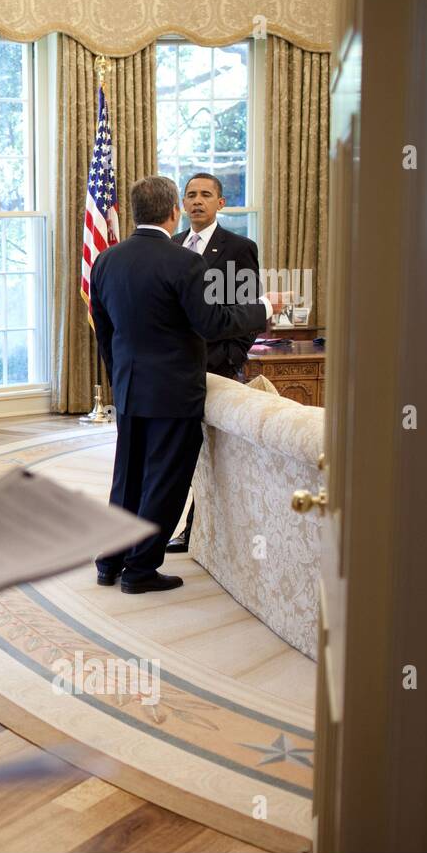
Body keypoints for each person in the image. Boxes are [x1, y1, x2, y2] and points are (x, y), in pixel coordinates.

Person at [90, 176, 283, 594]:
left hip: (129, 388)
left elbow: (104, 333)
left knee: (127, 476)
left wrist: (119, 376)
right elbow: (212, 323)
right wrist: (266, 307)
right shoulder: (184, 262)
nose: (195, 203)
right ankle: (140, 571)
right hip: (174, 392)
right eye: (189, 197)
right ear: (173, 210)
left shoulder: (106, 260)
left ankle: (109, 561)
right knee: (165, 479)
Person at [166, 171, 263, 553]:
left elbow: (249, 310)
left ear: (220, 203)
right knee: (181, 454)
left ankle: (197, 532)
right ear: (181, 204)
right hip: (174, 369)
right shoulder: (172, 246)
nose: (197, 201)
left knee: (212, 455)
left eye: (206, 194)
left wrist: (232, 356)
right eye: (190, 195)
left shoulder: (238, 248)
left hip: (216, 368)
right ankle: (193, 529)